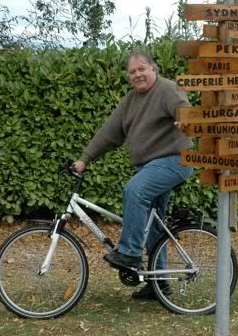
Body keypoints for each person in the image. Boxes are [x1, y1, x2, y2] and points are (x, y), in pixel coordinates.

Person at [74, 51, 194, 299]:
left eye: (142, 69)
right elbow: (108, 133)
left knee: (135, 191)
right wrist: (84, 159)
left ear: (154, 69)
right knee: (154, 225)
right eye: (132, 72)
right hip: (150, 167)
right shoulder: (129, 102)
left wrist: (186, 121)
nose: (137, 74)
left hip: (175, 161)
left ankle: (129, 253)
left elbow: (183, 108)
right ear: (128, 77)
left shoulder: (167, 89)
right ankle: (159, 284)